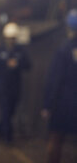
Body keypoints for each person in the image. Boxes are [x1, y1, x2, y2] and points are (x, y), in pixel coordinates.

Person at [41, 9, 77, 163]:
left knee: (55, 140)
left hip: (62, 104)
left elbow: (55, 79)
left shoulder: (64, 50)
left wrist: (47, 105)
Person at [0, 22, 31, 144]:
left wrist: (18, 64)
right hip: (1, 86)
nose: (11, 41)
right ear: (5, 37)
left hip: (15, 87)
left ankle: (0, 129)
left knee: (10, 112)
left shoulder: (20, 51)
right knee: (5, 110)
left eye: (13, 38)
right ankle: (7, 136)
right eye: (9, 38)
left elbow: (28, 65)